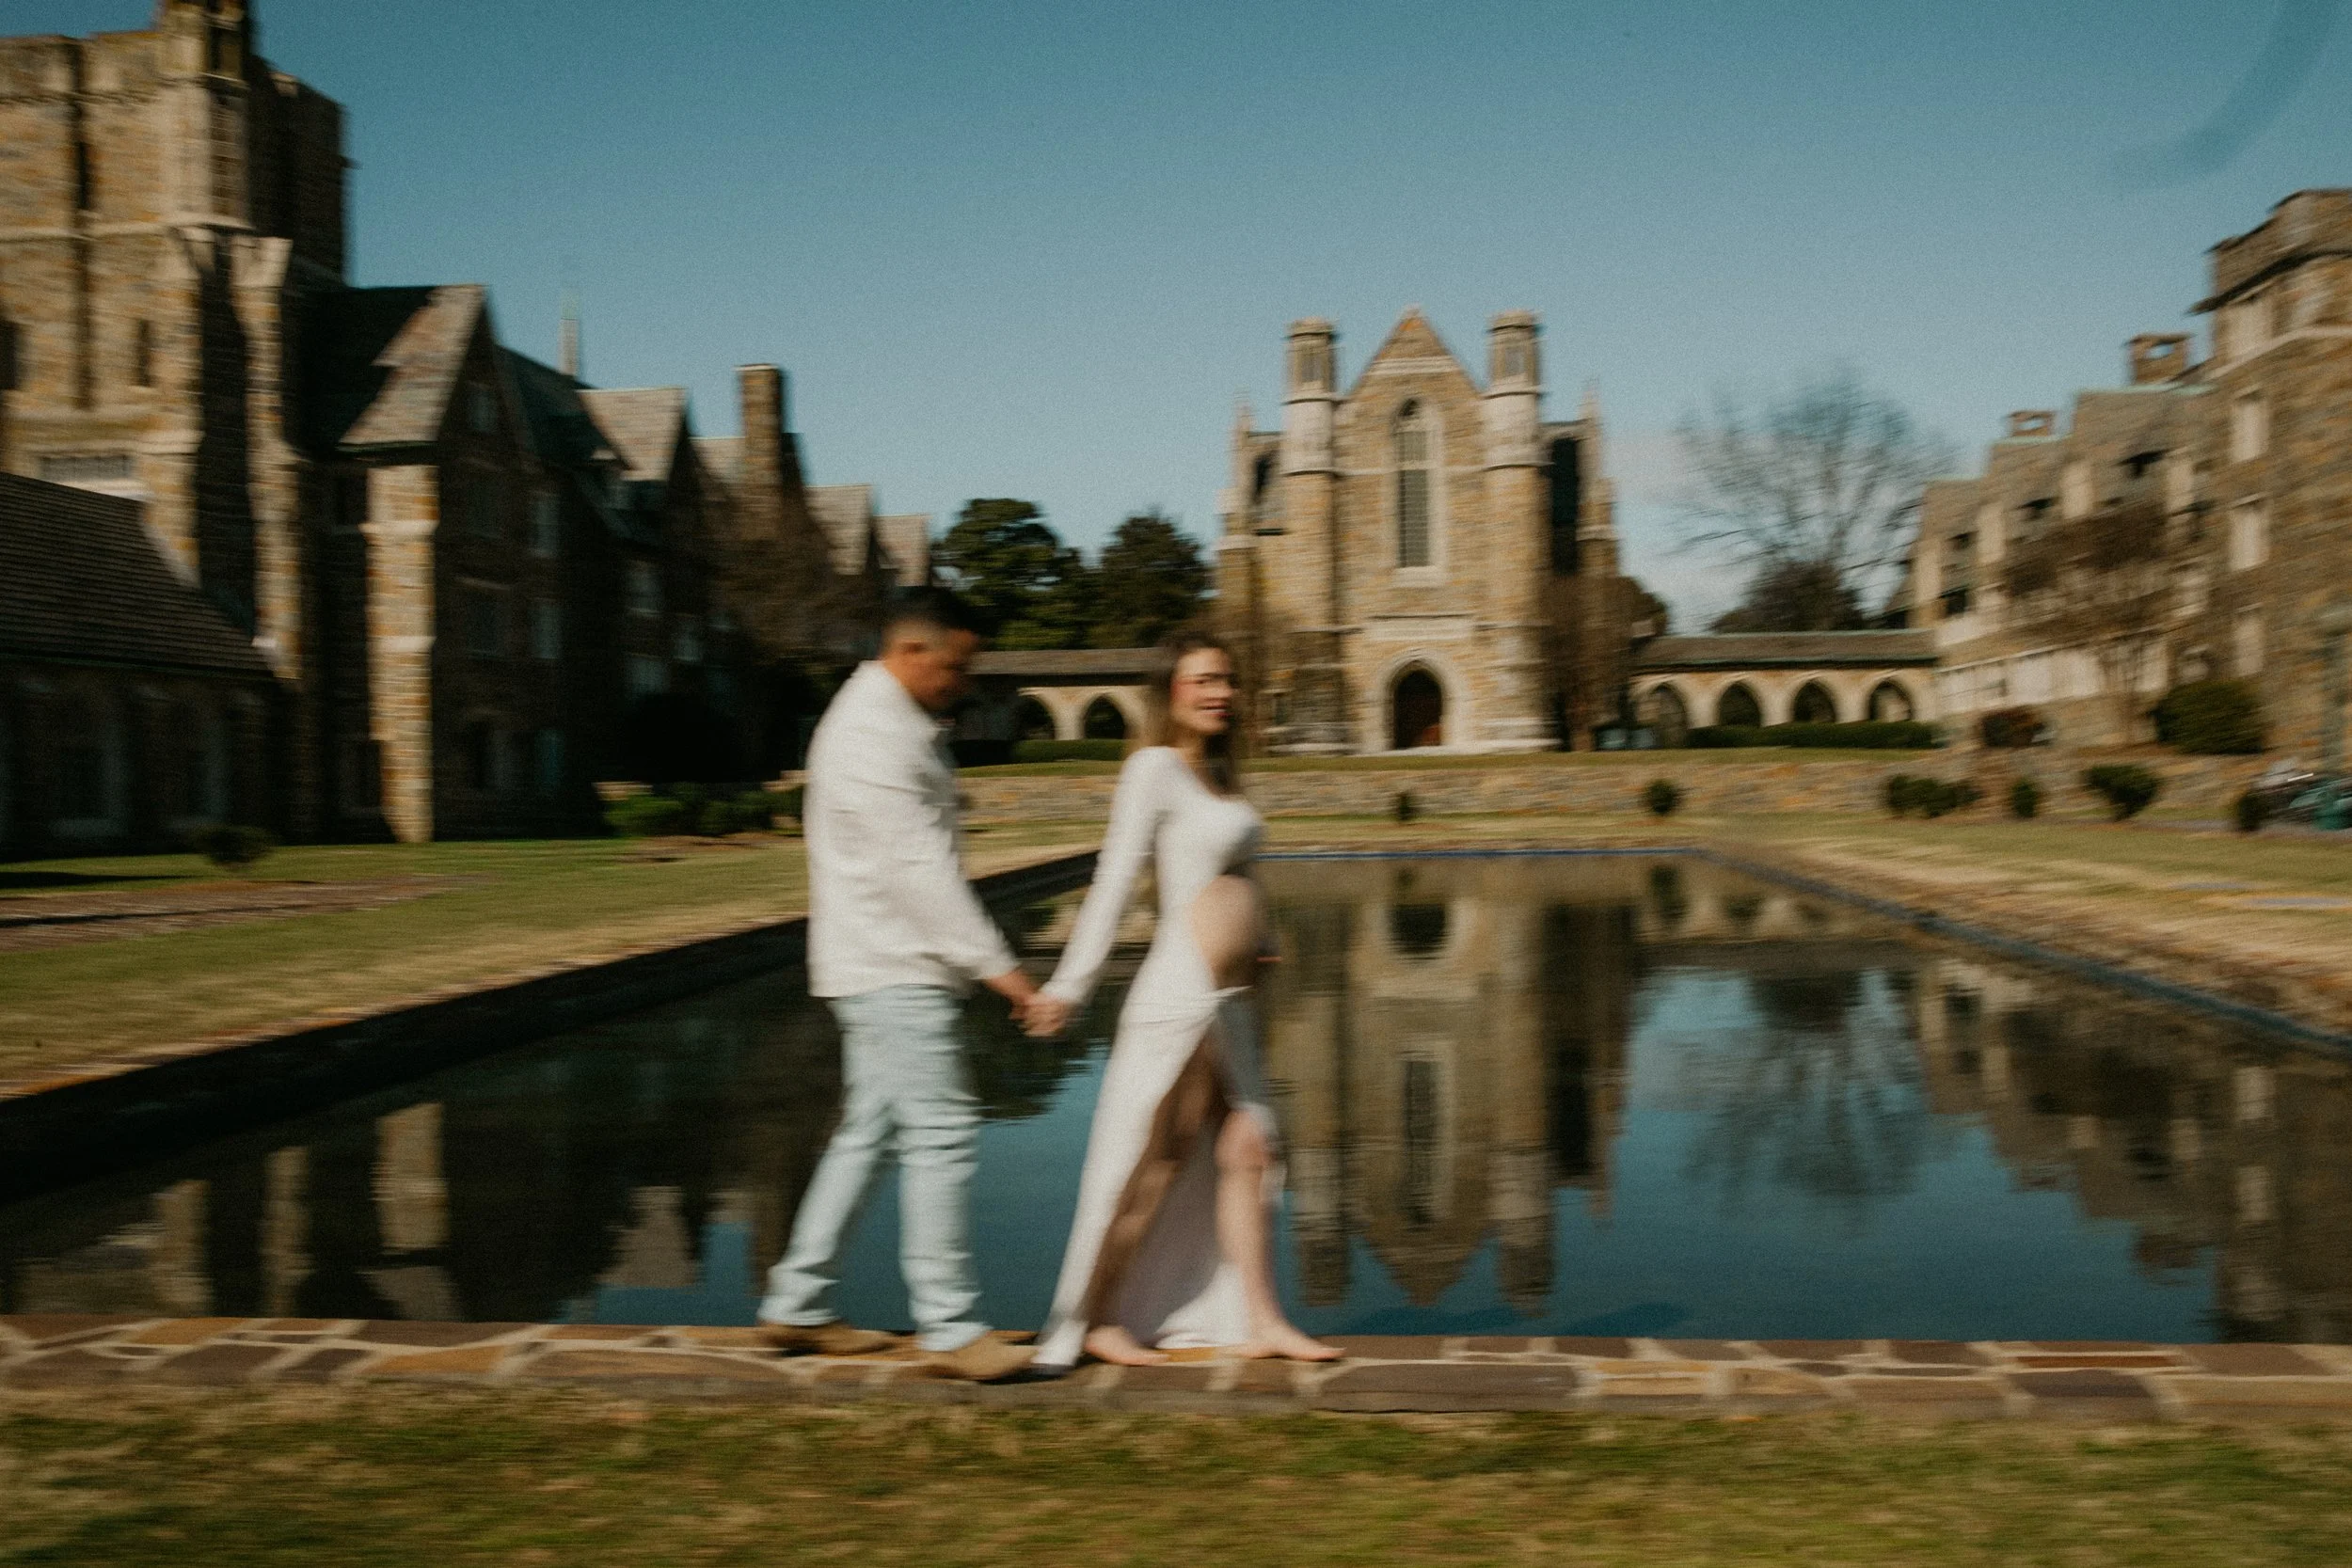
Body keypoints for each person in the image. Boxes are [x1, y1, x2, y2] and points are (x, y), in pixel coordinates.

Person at [1022, 632, 1339, 1369]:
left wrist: (1266, 933)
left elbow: (1245, 876)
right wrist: (1070, 985)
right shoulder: (1153, 769)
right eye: (1202, 680)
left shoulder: (1221, 777)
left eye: (1227, 679)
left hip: (1229, 999)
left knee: (1249, 1150)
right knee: (1155, 1158)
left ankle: (1262, 1318)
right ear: (1172, 692)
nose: (1219, 692)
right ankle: (1096, 1318)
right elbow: (1113, 881)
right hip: (1181, 995)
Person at [755, 588, 1040, 1382]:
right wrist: (1010, 978)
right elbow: (923, 874)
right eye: (955, 664)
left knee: (869, 1132)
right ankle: (950, 1326)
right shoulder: (875, 736)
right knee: (943, 1130)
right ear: (913, 653)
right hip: (893, 963)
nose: (964, 680)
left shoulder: (887, 719)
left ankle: (798, 1302)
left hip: (879, 960)